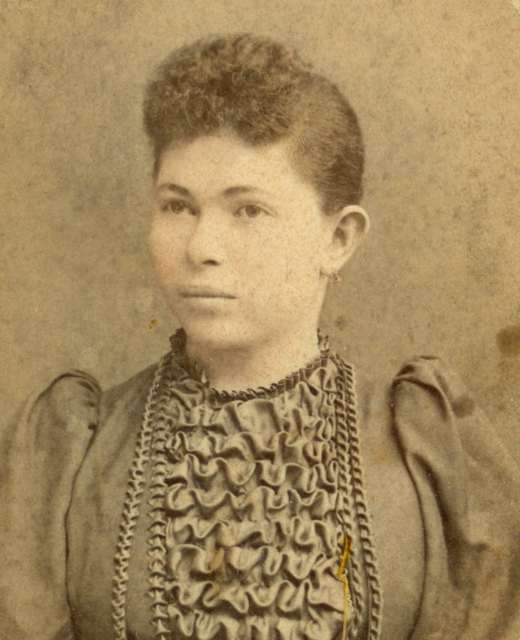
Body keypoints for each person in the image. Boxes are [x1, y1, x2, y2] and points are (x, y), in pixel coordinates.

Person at [1, 33, 518, 640]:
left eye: (248, 210)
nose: (201, 247)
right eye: (177, 206)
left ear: (338, 239)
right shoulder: (71, 453)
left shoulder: (423, 454)